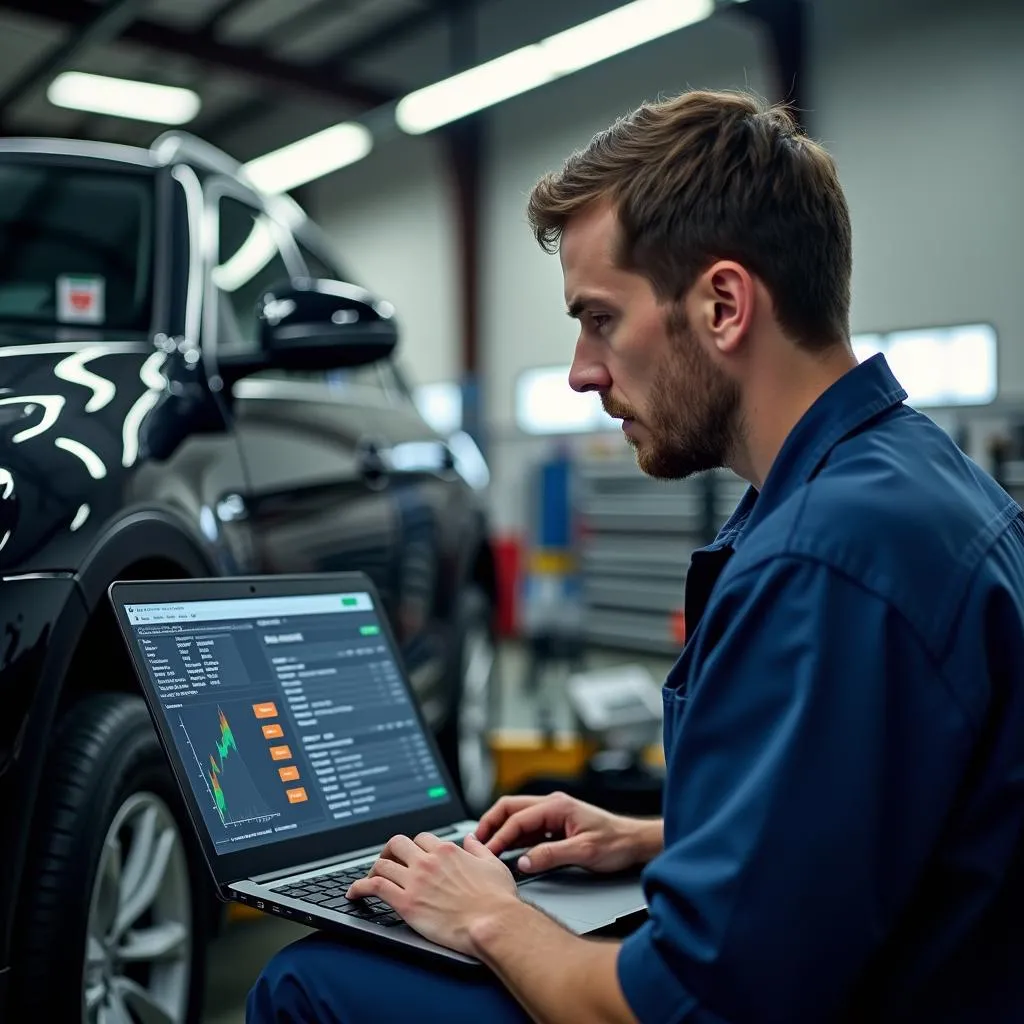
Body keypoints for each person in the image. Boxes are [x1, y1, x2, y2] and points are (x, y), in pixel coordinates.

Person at [247, 88, 1024, 1023]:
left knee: (306, 984)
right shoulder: (914, 480)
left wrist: (492, 917)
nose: (581, 368)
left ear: (725, 304)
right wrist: (667, 838)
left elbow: (679, 1010)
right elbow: (892, 822)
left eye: (600, 319)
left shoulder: (823, 563)